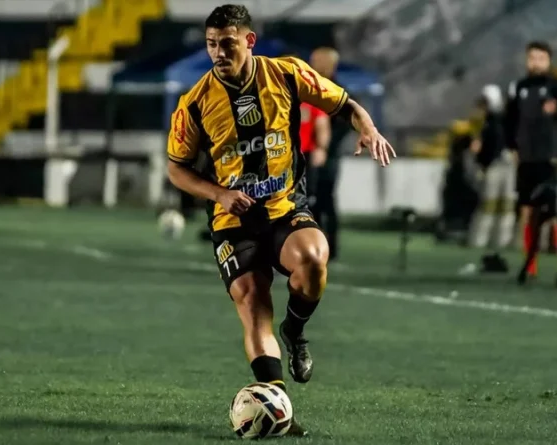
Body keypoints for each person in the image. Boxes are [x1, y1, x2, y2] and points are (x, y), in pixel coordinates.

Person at [165, 5, 395, 436]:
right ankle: (278, 410)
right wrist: (220, 194)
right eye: (212, 44)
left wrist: (367, 127)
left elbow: (344, 103)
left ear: (249, 41)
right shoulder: (194, 103)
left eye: (227, 43)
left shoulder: (286, 74)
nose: (218, 53)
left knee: (314, 257)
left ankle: (296, 329)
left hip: (285, 206)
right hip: (232, 220)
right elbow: (177, 167)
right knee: (253, 303)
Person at [505, 41, 557, 285]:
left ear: (549, 61)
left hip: (552, 157)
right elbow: (509, 120)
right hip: (527, 157)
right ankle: (530, 266)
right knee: (528, 211)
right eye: (532, 58)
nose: (536, 63)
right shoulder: (518, 87)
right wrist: (513, 148)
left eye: (541, 58)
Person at [468, 85, 516, 272]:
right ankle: (485, 240)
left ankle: (494, 240)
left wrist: (483, 160)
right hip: (496, 164)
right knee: (491, 205)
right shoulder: (488, 120)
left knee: (501, 205)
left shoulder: (498, 120)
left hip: (498, 164)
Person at [308, 47, 348, 261]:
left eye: (317, 61)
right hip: (307, 153)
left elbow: (344, 125)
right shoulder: (308, 88)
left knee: (325, 199)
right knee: (308, 201)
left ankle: (330, 246)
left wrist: (325, 148)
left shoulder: (338, 92)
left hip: (327, 156)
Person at [298, 92, 331, 207]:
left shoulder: (312, 102)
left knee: (308, 192)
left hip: (305, 153)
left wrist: (321, 148)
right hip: (283, 153)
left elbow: (322, 125)